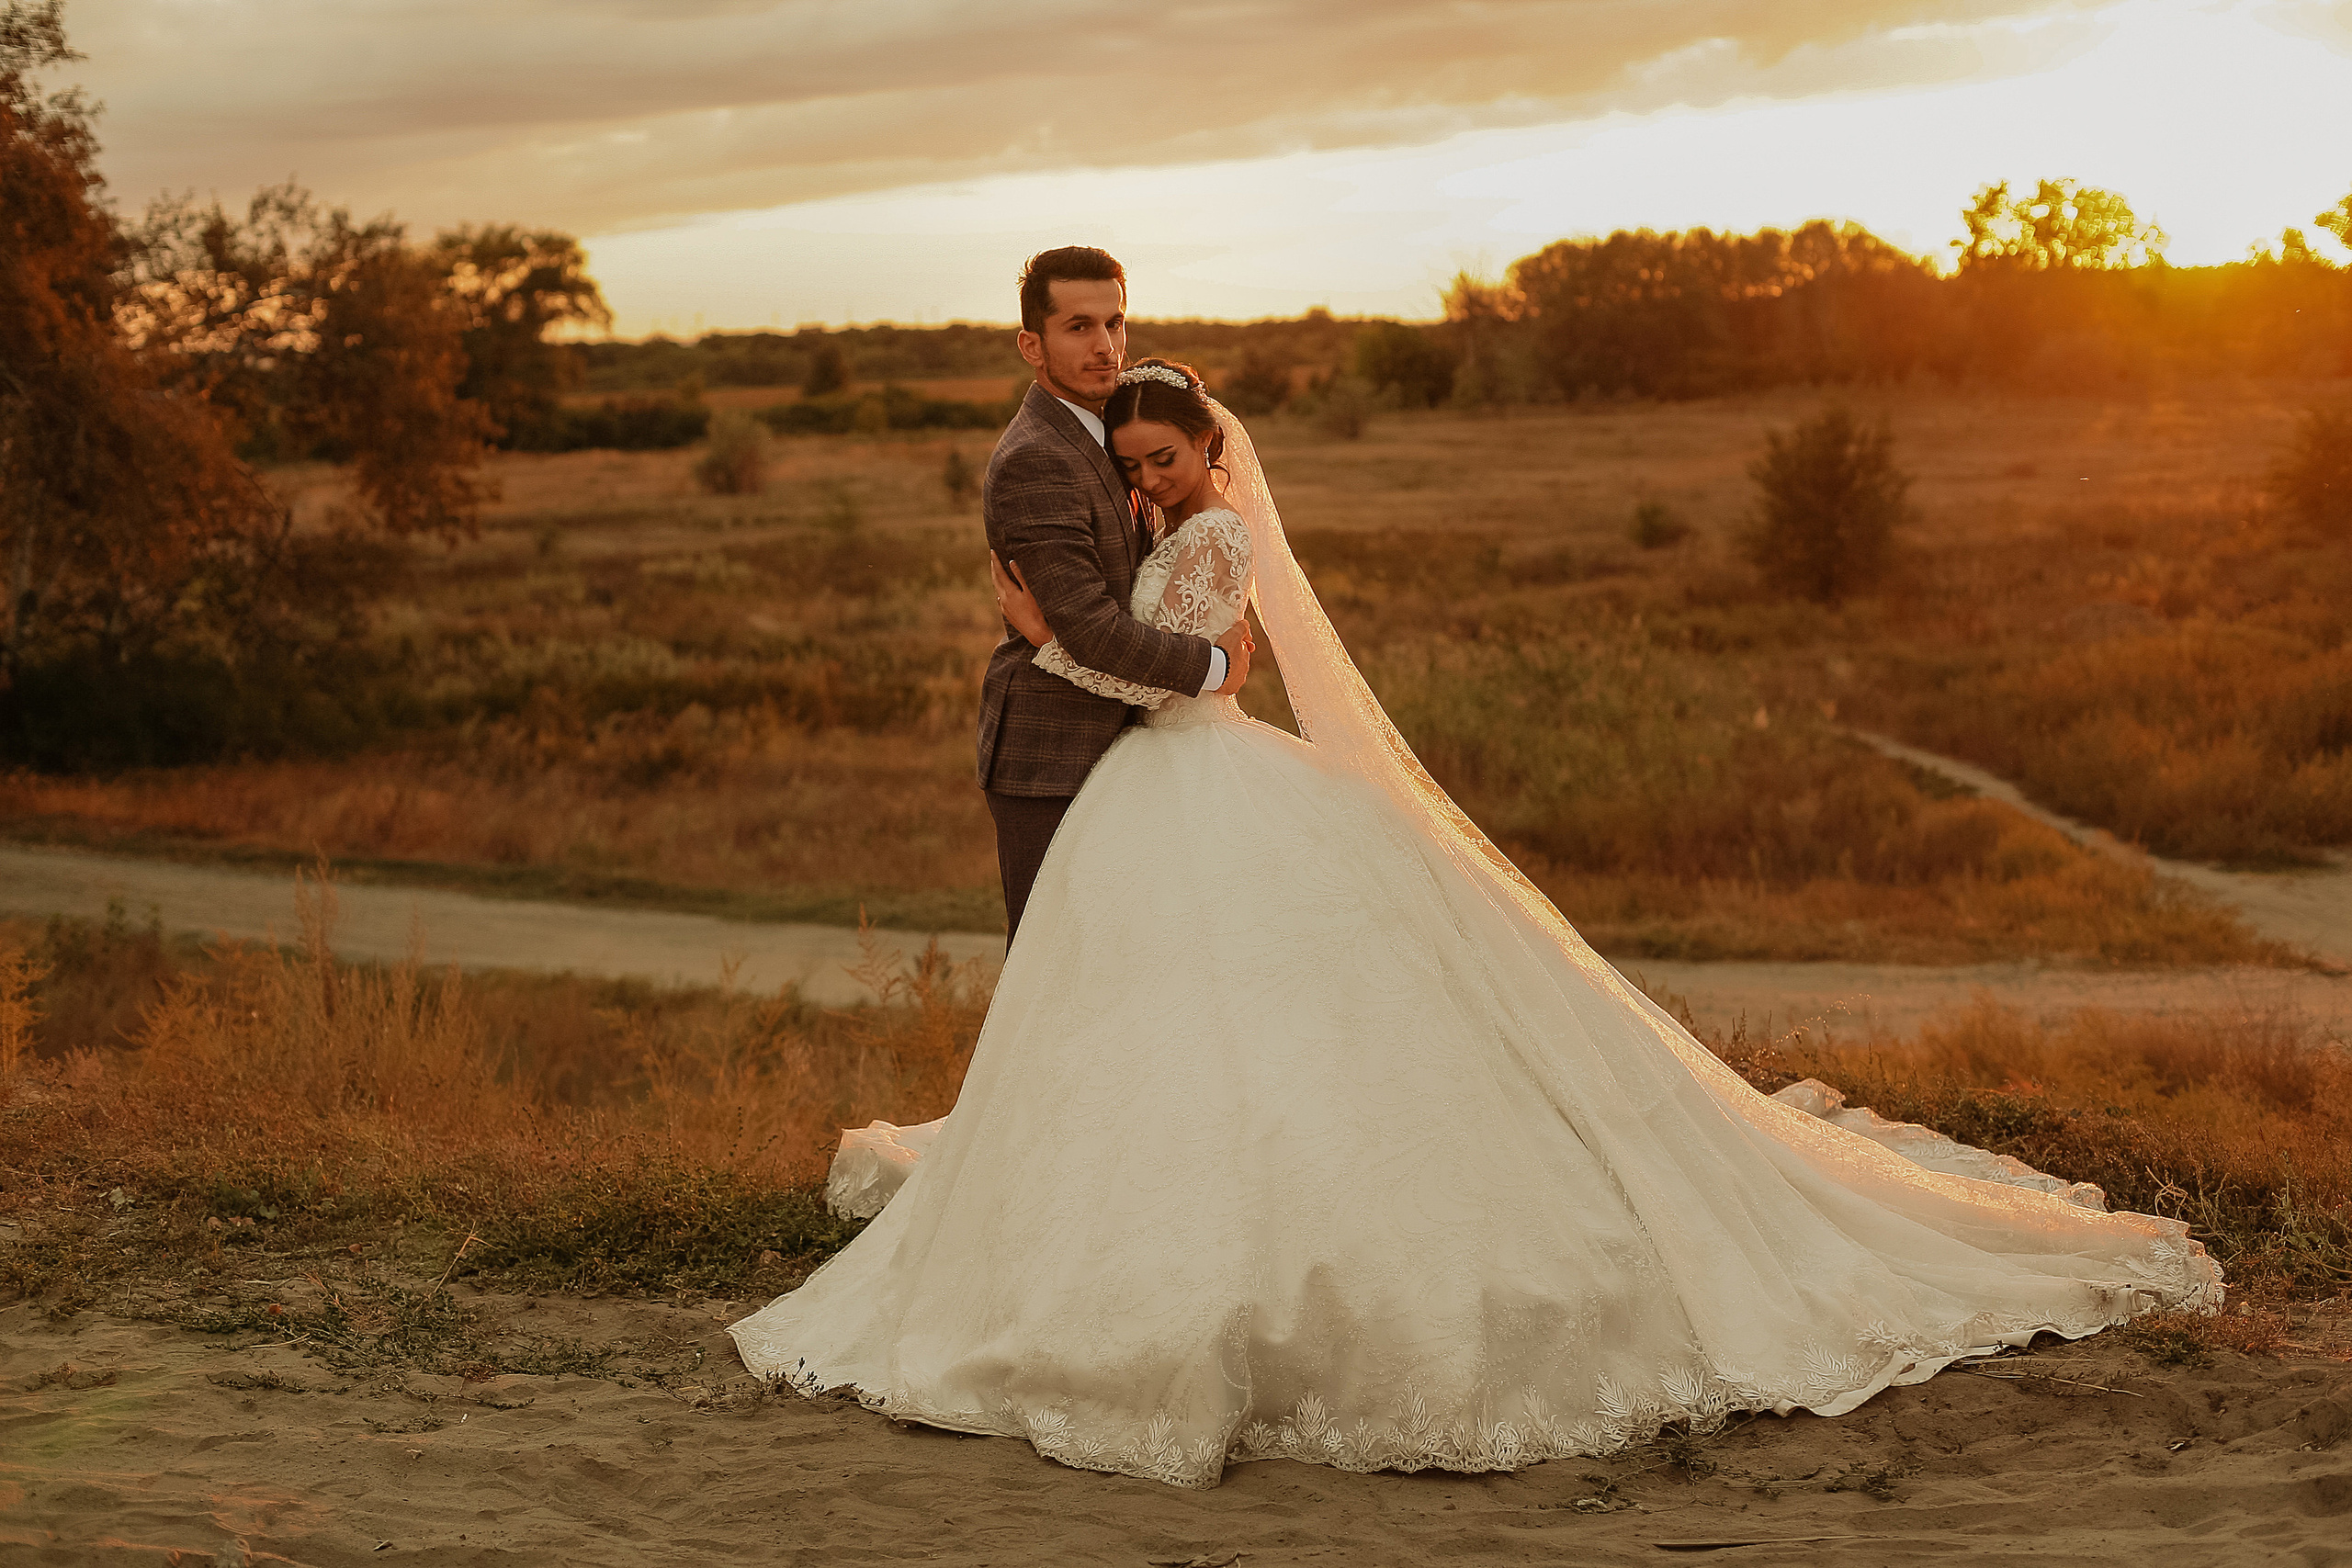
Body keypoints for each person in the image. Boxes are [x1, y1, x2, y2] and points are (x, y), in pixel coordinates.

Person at [729, 350, 2219, 1492]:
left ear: (1211, 450)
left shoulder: (1221, 533)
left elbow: (1203, 666)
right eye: (1132, 460)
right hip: (1163, 790)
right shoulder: (1153, 516)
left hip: (1188, 757)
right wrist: (1095, 613)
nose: (1149, 479)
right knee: (1177, 1027)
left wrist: (1051, 636)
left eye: (1168, 456)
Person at [970, 246, 1251, 946]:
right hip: (1054, 752)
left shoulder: (1116, 437)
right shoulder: (1037, 455)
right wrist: (1215, 668)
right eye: (1079, 327)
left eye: (1115, 323)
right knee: (1055, 968)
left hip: (1133, 749)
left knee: (1134, 963)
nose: (1105, 347)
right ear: (1031, 345)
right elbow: (1092, 629)